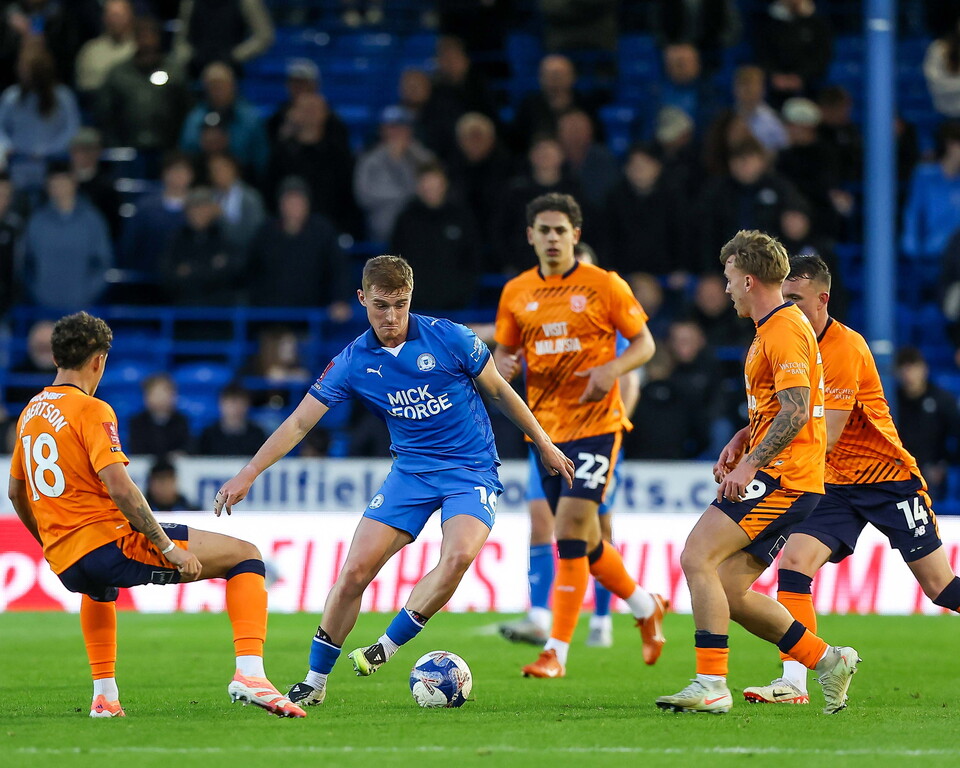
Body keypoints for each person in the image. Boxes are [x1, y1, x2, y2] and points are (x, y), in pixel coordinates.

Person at [214, 254, 575, 707]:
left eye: (400, 305)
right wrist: (249, 472)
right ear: (363, 299)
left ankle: (386, 647)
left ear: (411, 299)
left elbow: (500, 390)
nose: (391, 317)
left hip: (470, 470)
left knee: (459, 554)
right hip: (410, 474)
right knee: (353, 574)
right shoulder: (352, 362)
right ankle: (315, 679)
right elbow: (298, 424)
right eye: (381, 305)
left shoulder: (451, 338)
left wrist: (543, 442)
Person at [7, 311, 304, 718]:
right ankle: (250, 673)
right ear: (98, 360)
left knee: (99, 590)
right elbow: (121, 487)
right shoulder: (92, 410)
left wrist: (47, 541)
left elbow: (16, 492)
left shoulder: (29, 413)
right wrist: (167, 546)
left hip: (67, 559)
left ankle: (105, 697)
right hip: (109, 543)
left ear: (56, 357)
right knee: (246, 556)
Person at [655, 230, 858, 715]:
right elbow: (779, 410)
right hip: (790, 476)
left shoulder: (784, 328)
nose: (725, 289)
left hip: (784, 476)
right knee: (728, 589)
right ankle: (827, 660)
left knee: (696, 555)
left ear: (748, 280)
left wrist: (750, 463)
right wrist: (743, 436)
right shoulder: (773, 327)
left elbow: (796, 409)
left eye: (728, 278)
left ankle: (711, 684)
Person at [741, 255, 960, 706]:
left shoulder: (844, 347)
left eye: (796, 299)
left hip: (886, 480)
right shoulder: (789, 342)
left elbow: (826, 434)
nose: (787, 307)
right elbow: (777, 412)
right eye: (783, 298)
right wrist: (742, 439)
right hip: (833, 483)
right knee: (794, 564)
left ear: (822, 299)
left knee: (940, 588)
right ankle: (794, 683)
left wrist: (760, 466)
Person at [493, 193, 664, 679]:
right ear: (530, 236)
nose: (551, 238)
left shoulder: (603, 285)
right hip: (545, 432)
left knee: (568, 530)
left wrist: (612, 368)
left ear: (575, 235)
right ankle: (644, 604)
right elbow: (505, 356)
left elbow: (646, 343)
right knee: (585, 543)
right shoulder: (516, 293)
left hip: (596, 425)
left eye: (560, 230)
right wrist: (504, 363)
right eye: (542, 230)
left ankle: (556, 653)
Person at [498, 241, 640, 649]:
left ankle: (601, 618)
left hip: (597, 434)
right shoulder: (538, 315)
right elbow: (509, 356)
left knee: (595, 527)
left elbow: (628, 378)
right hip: (546, 437)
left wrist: (614, 426)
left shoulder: (606, 319)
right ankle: (541, 617)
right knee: (543, 521)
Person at [23, 161, 112, 309]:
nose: (60, 187)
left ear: (74, 183)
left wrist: (86, 294)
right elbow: (26, 263)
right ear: (48, 186)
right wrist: (38, 292)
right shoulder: (36, 221)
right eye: (54, 183)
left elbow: (103, 263)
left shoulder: (92, 220)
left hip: (83, 307)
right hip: (43, 308)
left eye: (64, 181)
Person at [126, 372, 192, 457]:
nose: (161, 398)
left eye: (165, 392)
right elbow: (136, 450)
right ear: (146, 397)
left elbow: (187, 448)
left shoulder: (182, 420)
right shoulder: (137, 422)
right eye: (156, 393)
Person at [195, 382, 267, 457]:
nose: (236, 408)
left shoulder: (257, 434)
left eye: (240, 403)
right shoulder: (208, 435)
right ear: (221, 404)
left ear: (247, 405)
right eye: (232, 403)